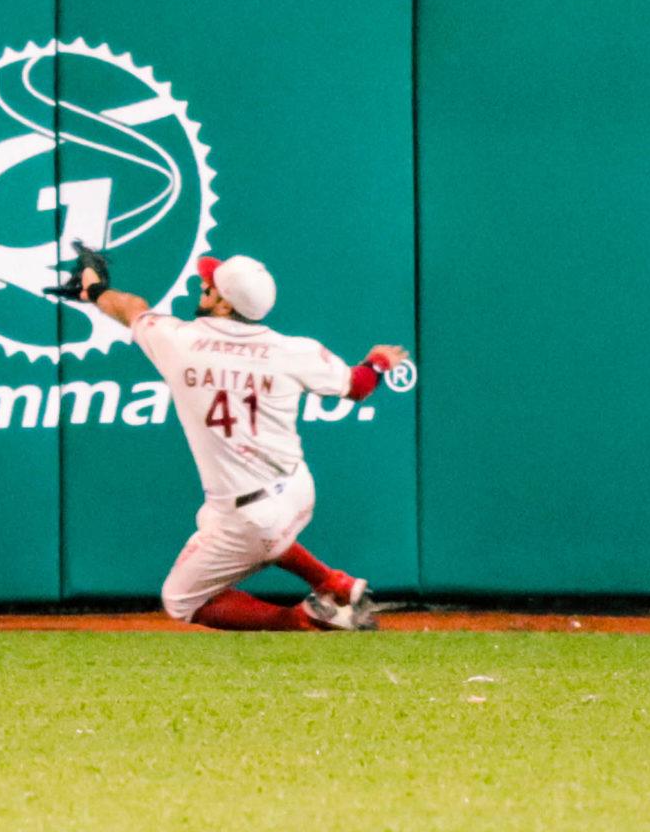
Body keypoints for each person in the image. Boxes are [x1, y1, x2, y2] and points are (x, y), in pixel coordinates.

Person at [61, 247, 407, 632]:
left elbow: (131, 307)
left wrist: (93, 290)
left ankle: (304, 619)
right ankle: (333, 582)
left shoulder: (179, 341)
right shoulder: (293, 349)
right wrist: (377, 361)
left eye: (209, 287)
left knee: (180, 600)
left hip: (253, 517)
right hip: (297, 489)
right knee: (217, 519)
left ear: (225, 305)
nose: (202, 288)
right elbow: (358, 386)